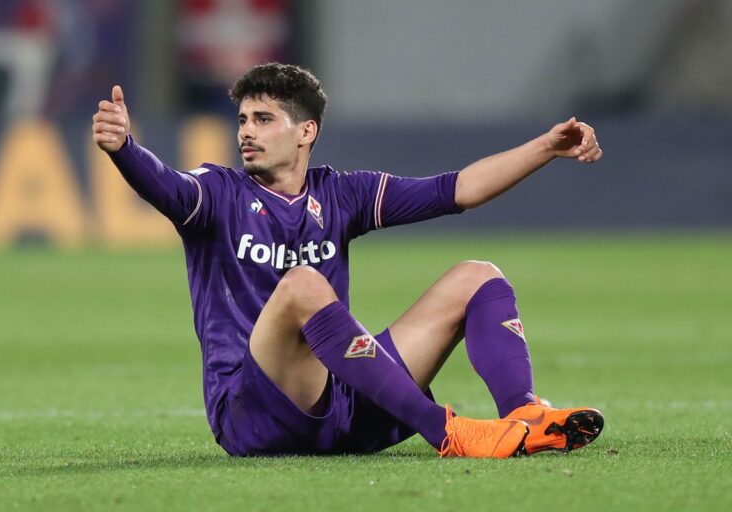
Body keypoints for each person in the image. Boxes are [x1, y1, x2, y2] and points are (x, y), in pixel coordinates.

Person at [92, 63, 604, 458]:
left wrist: (545, 147)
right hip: (254, 414)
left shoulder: (341, 193)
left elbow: (458, 190)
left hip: (342, 403)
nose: (246, 132)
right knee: (303, 284)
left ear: (306, 132)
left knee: (479, 276)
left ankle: (525, 416)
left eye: (263, 119)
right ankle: (447, 431)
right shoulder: (219, 192)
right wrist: (125, 149)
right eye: (243, 120)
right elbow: (168, 187)